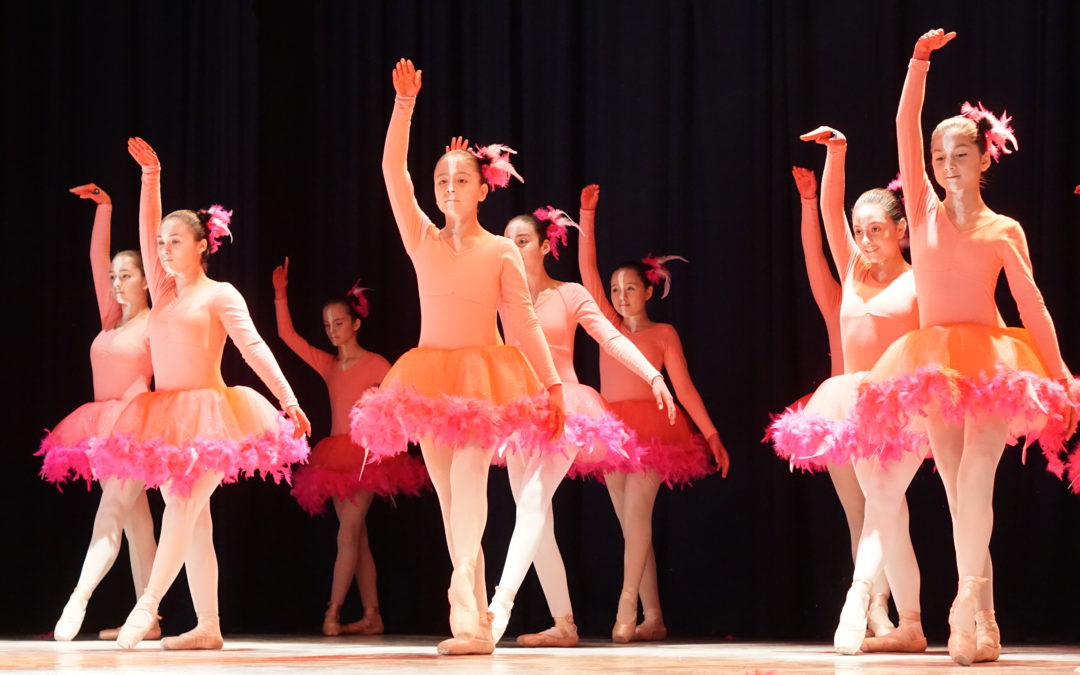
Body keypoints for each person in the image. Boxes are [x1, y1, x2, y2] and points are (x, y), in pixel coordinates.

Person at [850, 29, 1077, 665]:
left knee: (977, 474)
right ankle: (986, 620)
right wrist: (918, 63)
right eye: (938, 156)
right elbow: (903, 120)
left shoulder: (1004, 229)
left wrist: (1059, 376)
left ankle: (964, 602)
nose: (947, 166)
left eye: (960, 155)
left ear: (984, 159)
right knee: (958, 494)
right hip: (932, 365)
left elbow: (1032, 306)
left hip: (995, 365)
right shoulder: (917, 208)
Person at [349, 60, 565, 656]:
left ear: (482, 187)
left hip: (484, 376)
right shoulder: (422, 238)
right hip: (430, 376)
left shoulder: (501, 251)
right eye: (442, 180)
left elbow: (521, 320)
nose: (448, 189)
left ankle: (465, 609)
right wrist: (403, 107)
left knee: (471, 478)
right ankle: (470, 599)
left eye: (460, 180)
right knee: (449, 494)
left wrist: (552, 386)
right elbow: (393, 171)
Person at [110, 137, 311, 650]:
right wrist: (150, 177)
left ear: (202, 244)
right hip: (166, 417)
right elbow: (143, 226)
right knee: (195, 524)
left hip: (212, 419)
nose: (163, 250)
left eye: (175, 242)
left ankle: (147, 605)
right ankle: (208, 626)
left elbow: (255, 349)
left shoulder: (220, 294)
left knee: (180, 507)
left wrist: (288, 400)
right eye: (161, 244)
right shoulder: (163, 291)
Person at [489, 203, 675, 647]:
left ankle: (498, 609)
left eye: (523, 241)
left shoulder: (570, 294)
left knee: (533, 501)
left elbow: (610, 338)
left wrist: (652, 374)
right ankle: (564, 624)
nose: (513, 250)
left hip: (567, 409)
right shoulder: (501, 298)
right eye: (508, 242)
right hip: (520, 412)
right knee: (536, 519)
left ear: (543, 245)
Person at [770, 129, 923, 654]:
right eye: (861, 231)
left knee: (881, 501)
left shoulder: (919, 279)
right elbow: (831, 214)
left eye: (877, 229)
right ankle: (913, 626)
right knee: (889, 513)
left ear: (901, 230)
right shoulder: (853, 270)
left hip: (905, 410)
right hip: (855, 406)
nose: (866, 239)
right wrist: (837, 154)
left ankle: (857, 600)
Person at [576, 184, 730, 642]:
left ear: (649, 290)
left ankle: (626, 608)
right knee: (630, 527)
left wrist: (712, 434)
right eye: (616, 290)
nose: (621, 296)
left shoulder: (664, 334)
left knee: (638, 517)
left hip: (655, 430)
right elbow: (587, 271)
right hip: (613, 431)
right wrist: (587, 217)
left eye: (629, 289)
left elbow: (683, 388)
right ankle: (654, 615)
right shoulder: (605, 325)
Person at [273, 259, 429, 636]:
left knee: (348, 532)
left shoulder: (377, 364)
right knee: (356, 537)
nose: (332, 331)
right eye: (327, 325)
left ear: (356, 324)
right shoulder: (328, 366)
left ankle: (333, 611)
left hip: (365, 458)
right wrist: (280, 295)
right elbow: (287, 337)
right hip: (335, 458)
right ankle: (373, 614)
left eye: (339, 323)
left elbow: (403, 400)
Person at [38, 183, 159, 641]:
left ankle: (78, 599)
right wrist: (105, 209)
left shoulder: (155, 321)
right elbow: (96, 260)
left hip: (135, 428)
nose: (116, 282)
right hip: (101, 427)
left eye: (126, 275)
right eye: (114, 277)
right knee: (136, 523)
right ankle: (150, 619)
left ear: (146, 279)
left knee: (113, 513)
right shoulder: (112, 319)